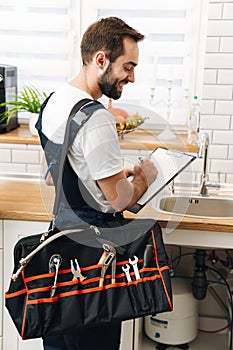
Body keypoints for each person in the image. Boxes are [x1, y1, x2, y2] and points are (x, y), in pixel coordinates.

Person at [37, 16, 158, 350]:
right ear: (101, 59)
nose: (132, 77)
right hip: (94, 266)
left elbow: (53, 175)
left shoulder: (53, 102)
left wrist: (112, 173)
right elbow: (118, 201)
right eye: (128, 66)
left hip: (60, 258)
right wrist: (145, 178)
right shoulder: (96, 117)